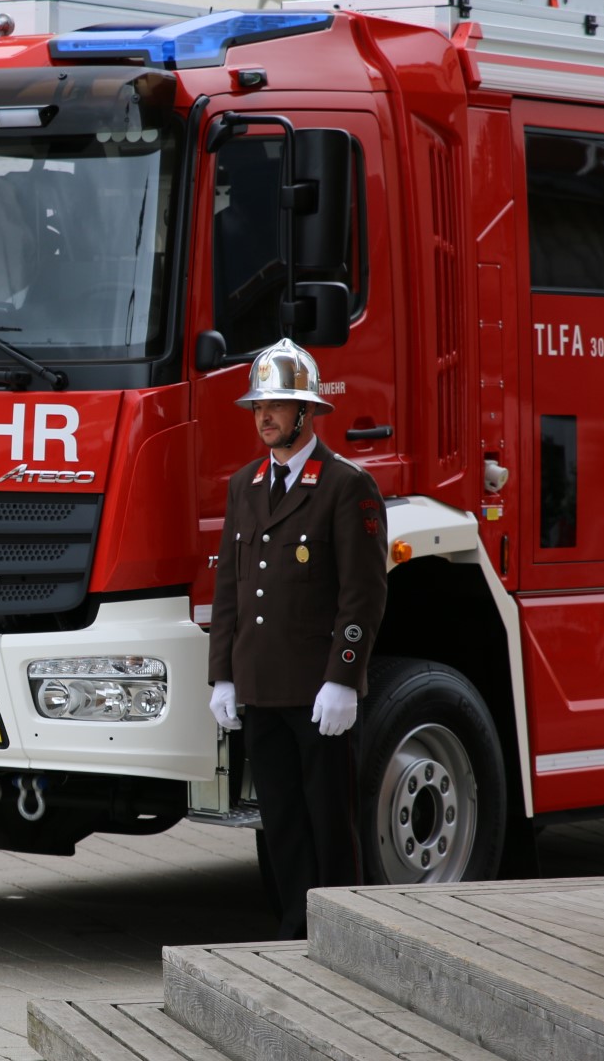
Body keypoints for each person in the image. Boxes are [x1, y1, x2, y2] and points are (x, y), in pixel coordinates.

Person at [207, 338, 388, 941]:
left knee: (329, 819)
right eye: (260, 406)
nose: (265, 416)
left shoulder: (344, 485)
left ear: (306, 413)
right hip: (260, 685)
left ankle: (342, 934)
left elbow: (361, 593)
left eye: (278, 405)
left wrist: (343, 678)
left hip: (316, 691)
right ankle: (293, 930)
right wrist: (224, 674)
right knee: (280, 819)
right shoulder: (245, 485)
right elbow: (230, 585)